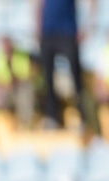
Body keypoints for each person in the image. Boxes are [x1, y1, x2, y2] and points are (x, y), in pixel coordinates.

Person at [35, 0, 98, 131]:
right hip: (48, 32)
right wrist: (37, 26)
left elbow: (92, 2)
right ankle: (52, 117)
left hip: (68, 32)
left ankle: (83, 118)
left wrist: (88, 26)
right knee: (48, 79)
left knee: (76, 78)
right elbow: (38, 4)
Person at [0, 35, 38, 145]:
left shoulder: (22, 56)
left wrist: (13, 82)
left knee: (26, 92)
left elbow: (28, 76)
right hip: (5, 91)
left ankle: (26, 128)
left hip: (19, 88)